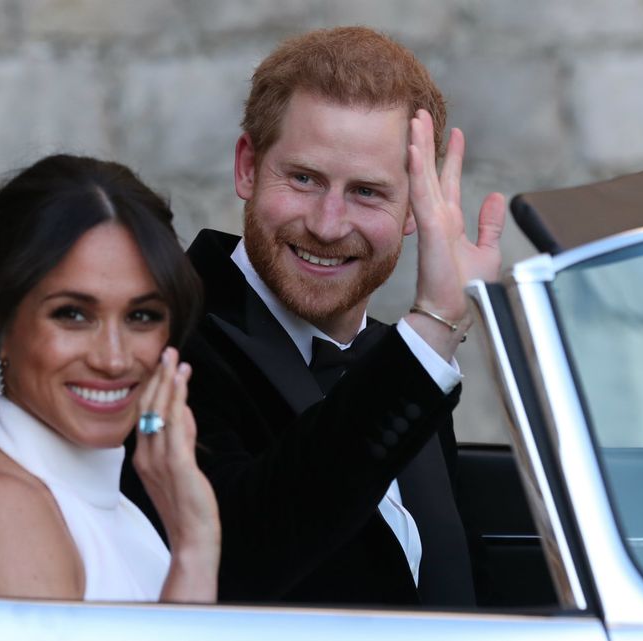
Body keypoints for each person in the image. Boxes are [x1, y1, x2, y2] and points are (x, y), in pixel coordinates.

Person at [122, 26, 506, 606]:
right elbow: (236, 561)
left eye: (368, 193)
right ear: (248, 167)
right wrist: (432, 329)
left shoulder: (396, 358)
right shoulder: (162, 334)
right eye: (303, 179)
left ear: (413, 209)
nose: (328, 224)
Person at [0, 154, 220, 603]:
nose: (114, 359)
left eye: (141, 316)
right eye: (73, 315)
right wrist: (195, 550)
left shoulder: (111, 506)